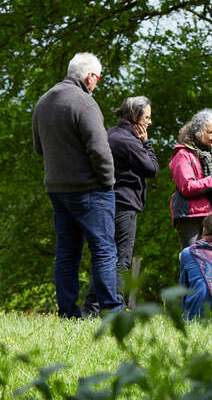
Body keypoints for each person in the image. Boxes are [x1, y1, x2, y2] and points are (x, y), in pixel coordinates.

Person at [32, 52, 122, 318]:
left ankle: (68, 312)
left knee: (66, 253)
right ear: (90, 77)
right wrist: (108, 182)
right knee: (104, 250)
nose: (97, 84)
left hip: (57, 189)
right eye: (98, 79)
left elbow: (39, 149)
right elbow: (100, 149)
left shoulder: (43, 101)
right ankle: (112, 311)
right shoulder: (84, 102)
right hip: (89, 189)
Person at [83, 96, 158, 313]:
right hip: (124, 203)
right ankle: (116, 307)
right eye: (147, 117)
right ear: (135, 117)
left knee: (107, 256)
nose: (149, 123)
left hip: (107, 201)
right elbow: (151, 169)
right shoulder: (128, 140)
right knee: (121, 258)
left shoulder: (111, 133)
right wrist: (147, 143)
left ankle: (91, 308)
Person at [169, 109, 212, 249]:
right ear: (197, 132)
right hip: (190, 217)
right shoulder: (183, 155)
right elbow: (187, 187)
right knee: (192, 259)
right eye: (210, 132)